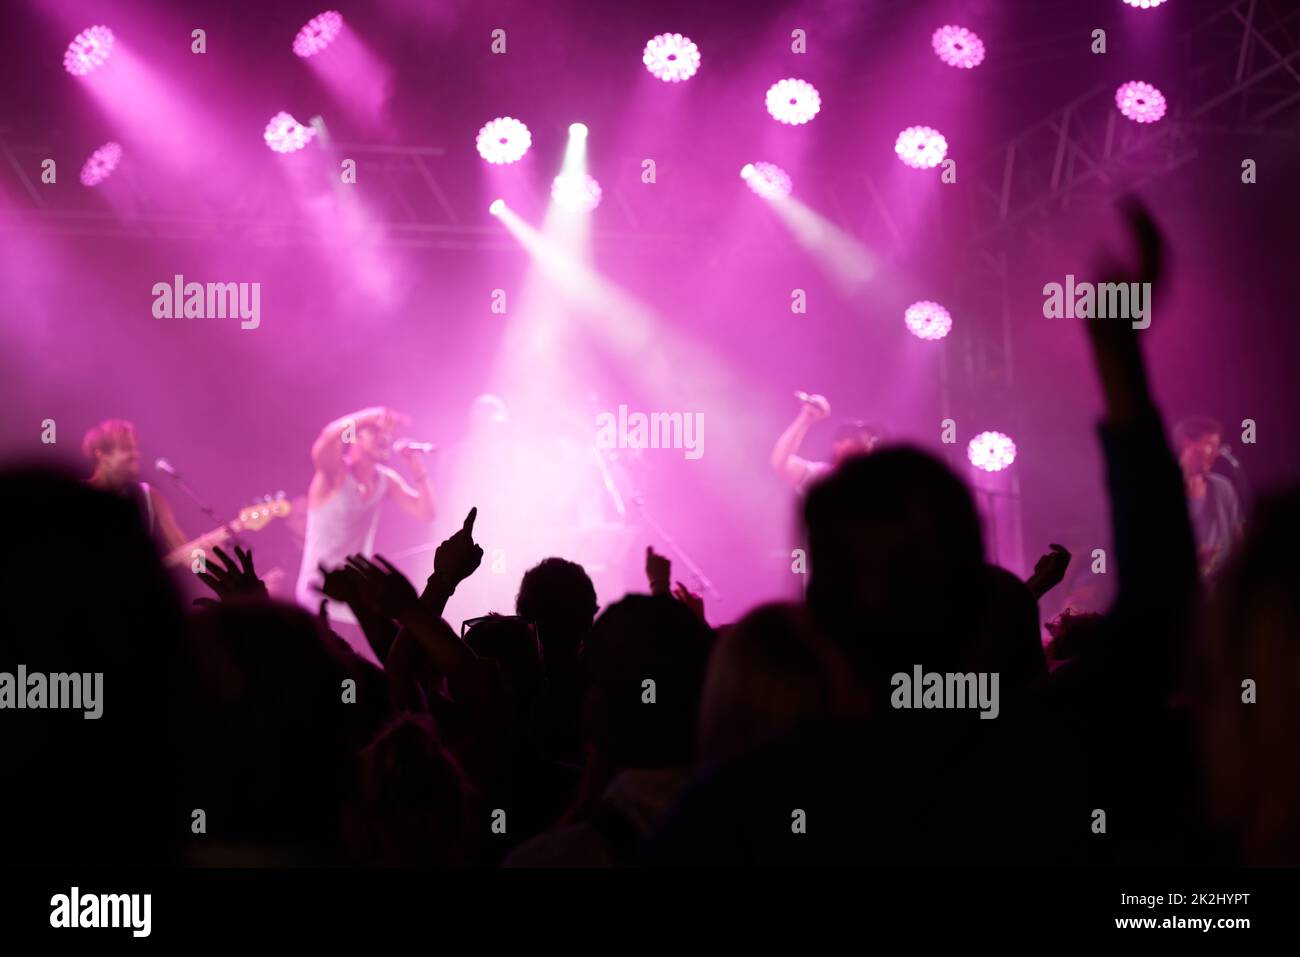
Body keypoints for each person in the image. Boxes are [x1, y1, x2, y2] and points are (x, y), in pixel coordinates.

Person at [294, 406, 436, 646]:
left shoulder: (385, 479)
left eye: (386, 434)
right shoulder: (334, 473)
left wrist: (417, 469)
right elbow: (329, 437)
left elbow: (426, 512)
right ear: (355, 437)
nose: (384, 437)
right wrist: (373, 415)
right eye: (374, 432)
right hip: (317, 597)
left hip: (355, 604)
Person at [82, 418, 188, 552]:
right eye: (126, 448)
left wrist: (214, 565)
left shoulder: (149, 496)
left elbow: (184, 549)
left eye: (135, 448)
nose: (136, 455)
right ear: (101, 455)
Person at [1172, 416, 1244, 578]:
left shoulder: (1223, 487)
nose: (1217, 453)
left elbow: (1237, 534)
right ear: (1187, 443)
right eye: (1210, 445)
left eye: (1217, 446)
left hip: (1221, 587)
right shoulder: (1160, 492)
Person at [770, 393, 882, 494]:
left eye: (870, 442)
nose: (866, 446)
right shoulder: (822, 477)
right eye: (858, 440)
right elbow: (781, 463)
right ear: (838, 445)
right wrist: (805, 418)